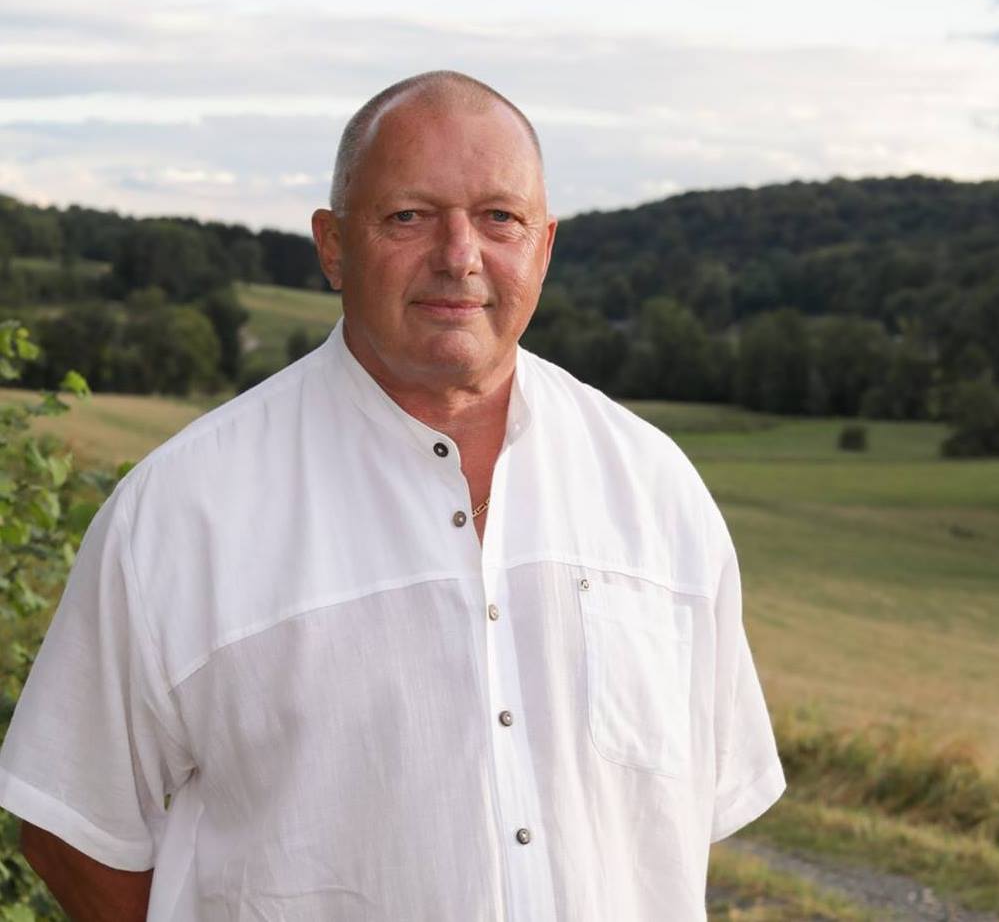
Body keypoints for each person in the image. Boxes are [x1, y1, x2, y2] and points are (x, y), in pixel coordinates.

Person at [0, 71, 785, 921]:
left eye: (500, 217)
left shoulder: (655, 488)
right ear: (334, 245)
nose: (459, 255)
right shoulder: (182, 512)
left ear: (545, 245)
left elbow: (671, 828)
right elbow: (73, 829)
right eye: (410, 216)